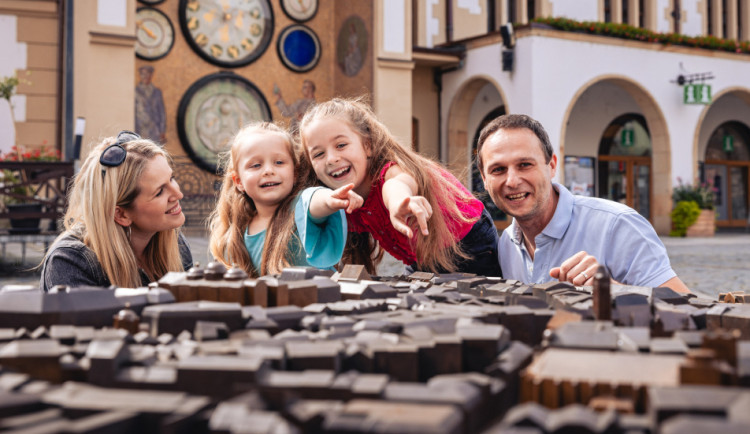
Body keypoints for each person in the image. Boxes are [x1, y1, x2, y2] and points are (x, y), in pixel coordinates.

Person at [476, 114, 690, 292]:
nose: (512, 181)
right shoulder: (506, 245)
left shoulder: (617, 225)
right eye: (498, 170)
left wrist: (611, 289)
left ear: (551, 165)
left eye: (524, 165)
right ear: (485, 180)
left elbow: (685, 308)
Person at [299, 97, 502, 276]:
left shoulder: (389, 169)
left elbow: (398, 183)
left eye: (341, 145)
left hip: (469, 241)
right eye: (318, 154)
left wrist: (398, 202)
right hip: (419, 257)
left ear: (367, 146)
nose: (332, 159)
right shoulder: (339, 198)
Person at [41, 131, 192, 292]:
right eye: (160, 192)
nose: (178, 194)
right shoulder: (70, 261)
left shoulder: (173, 242)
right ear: (121, 214)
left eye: (172, 178)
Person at [208, 122, 361, 276]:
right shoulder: (237, 233)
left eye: (279, 162)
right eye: (255, 165)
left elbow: (314, 201)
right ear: (239, 181)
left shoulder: (299, 205)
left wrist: (330, 199)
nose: (268, 171)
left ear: (295, 173)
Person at [135, 66, 166, 144]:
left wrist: (162, 130)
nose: (145, 76)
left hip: (154, 131)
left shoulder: (157, 92)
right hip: (140, 130)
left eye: (148, 74)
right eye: (143, 74)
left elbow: (161, 112)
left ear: (151, 75)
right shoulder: (135, 92)